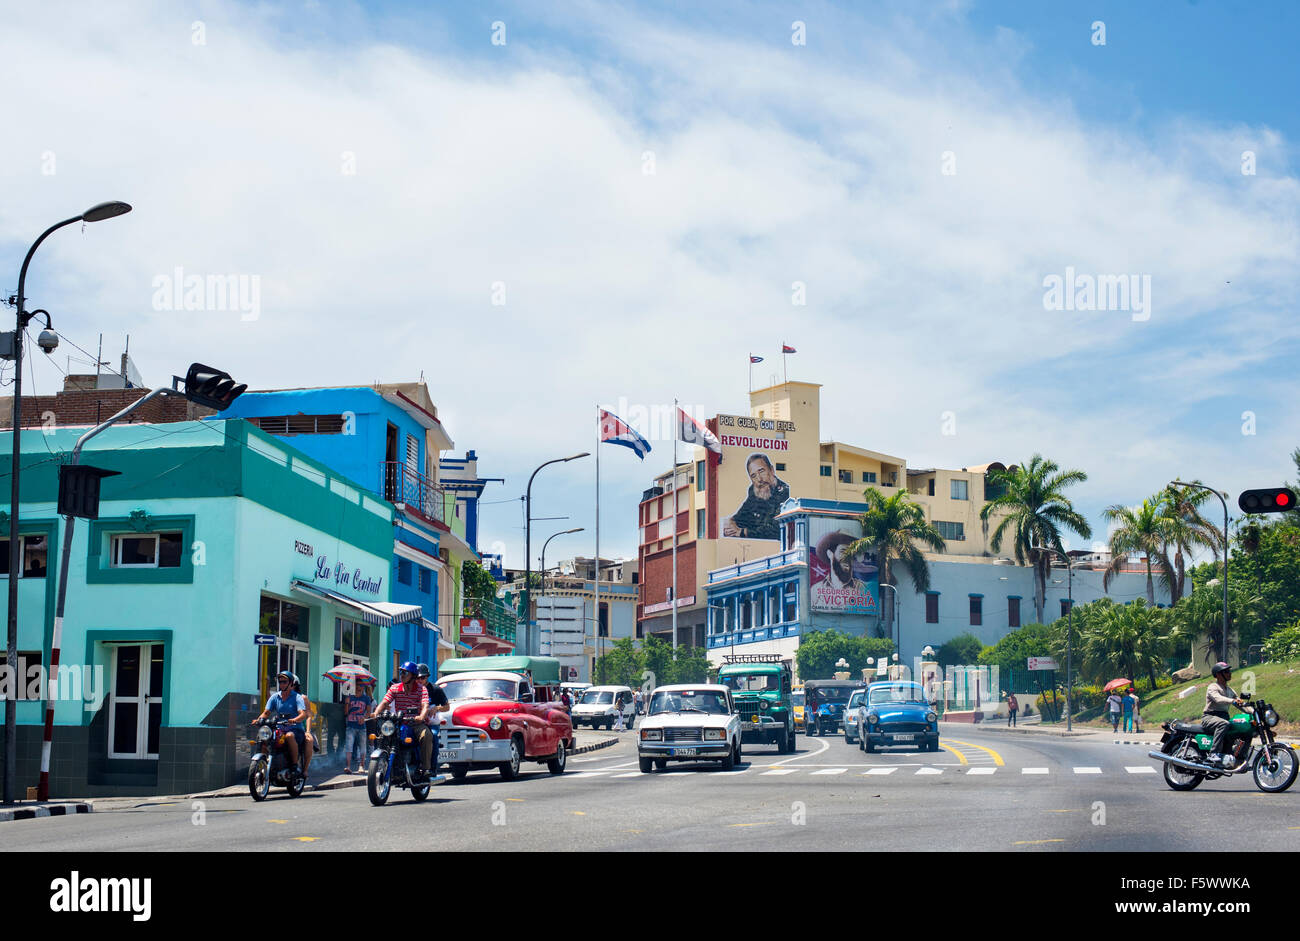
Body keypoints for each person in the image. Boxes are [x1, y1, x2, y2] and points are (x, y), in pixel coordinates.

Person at [371, 661, 433, 780]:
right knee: (383, 736)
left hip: (415, 723)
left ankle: (425, 769)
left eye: (405, 673)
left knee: (426, 735)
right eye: (401, 672)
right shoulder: (395, 688)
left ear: (413, 676)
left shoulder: (422, 689)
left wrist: (421, 716)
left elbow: (425, 705)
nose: (402, 675)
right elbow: (384, 702)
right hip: (398, 722)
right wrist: (375, 713)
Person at [251, 671, 309, 777]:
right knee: (264, 738)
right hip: (279, 729)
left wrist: (294, 719)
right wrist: (259, 720)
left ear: (291, 683)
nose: (282, 684)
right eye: (280, 682)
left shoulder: (297, 697)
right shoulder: (275, 697)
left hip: (295, 730)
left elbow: (303, 714)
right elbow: (266, 713)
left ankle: (294, 766)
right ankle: (264, 763)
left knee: (289, 736)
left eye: (284, 682)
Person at [721, 453, 791, 539]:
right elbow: (743, 515)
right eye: (753, 476)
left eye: (761, 471)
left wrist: (742, 532)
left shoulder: (784, 493)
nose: (759, 479)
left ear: (772, 470)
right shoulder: (754, 491)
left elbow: (774, 529)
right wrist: (730, 524)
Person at [1202, 662, 1246, 767]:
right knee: (1224, 724)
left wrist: (1256, 712)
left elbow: (1241, 704)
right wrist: (1232, 701)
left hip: (1224, 717)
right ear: (1218, 674)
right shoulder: (1213, 687)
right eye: (1226, 671)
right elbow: (1218, 699)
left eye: (1229, 671)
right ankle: (1213, 754)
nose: (1229, 673)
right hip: (1210, 717)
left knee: (1238, 728)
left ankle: (1232, 755)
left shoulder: (1230, 690)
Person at [342, 679, 374, 774]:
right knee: (349, 746)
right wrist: (347, 703)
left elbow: (368, 712)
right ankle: (348, 766)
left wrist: (364, 718)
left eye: (361, 685)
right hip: (350, 725)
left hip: (361, 726)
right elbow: (346, 713)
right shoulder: (350, 697)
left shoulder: (366, 698)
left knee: (362, 747)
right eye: (357, 685)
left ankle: (361, 766)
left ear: (363, 687)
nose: (359, 687)